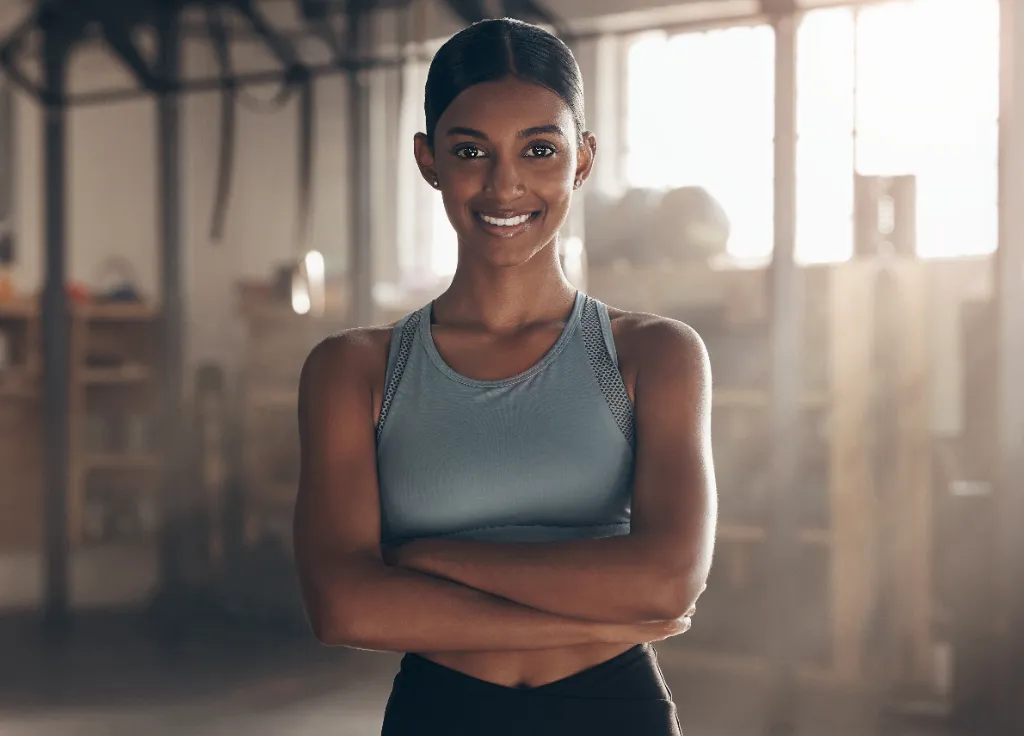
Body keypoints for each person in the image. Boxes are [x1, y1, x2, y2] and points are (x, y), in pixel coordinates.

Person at [293, 17, 716, 736]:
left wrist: (427, 561)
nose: (505, 185)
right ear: (429, 161)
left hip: (615, 714)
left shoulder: (654, 356)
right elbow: (344, 607)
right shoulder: (355, 370)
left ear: (581, 160)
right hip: (441, 714)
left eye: (539, 149)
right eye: (470, 151)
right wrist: (600, 613)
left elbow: (668, 581)